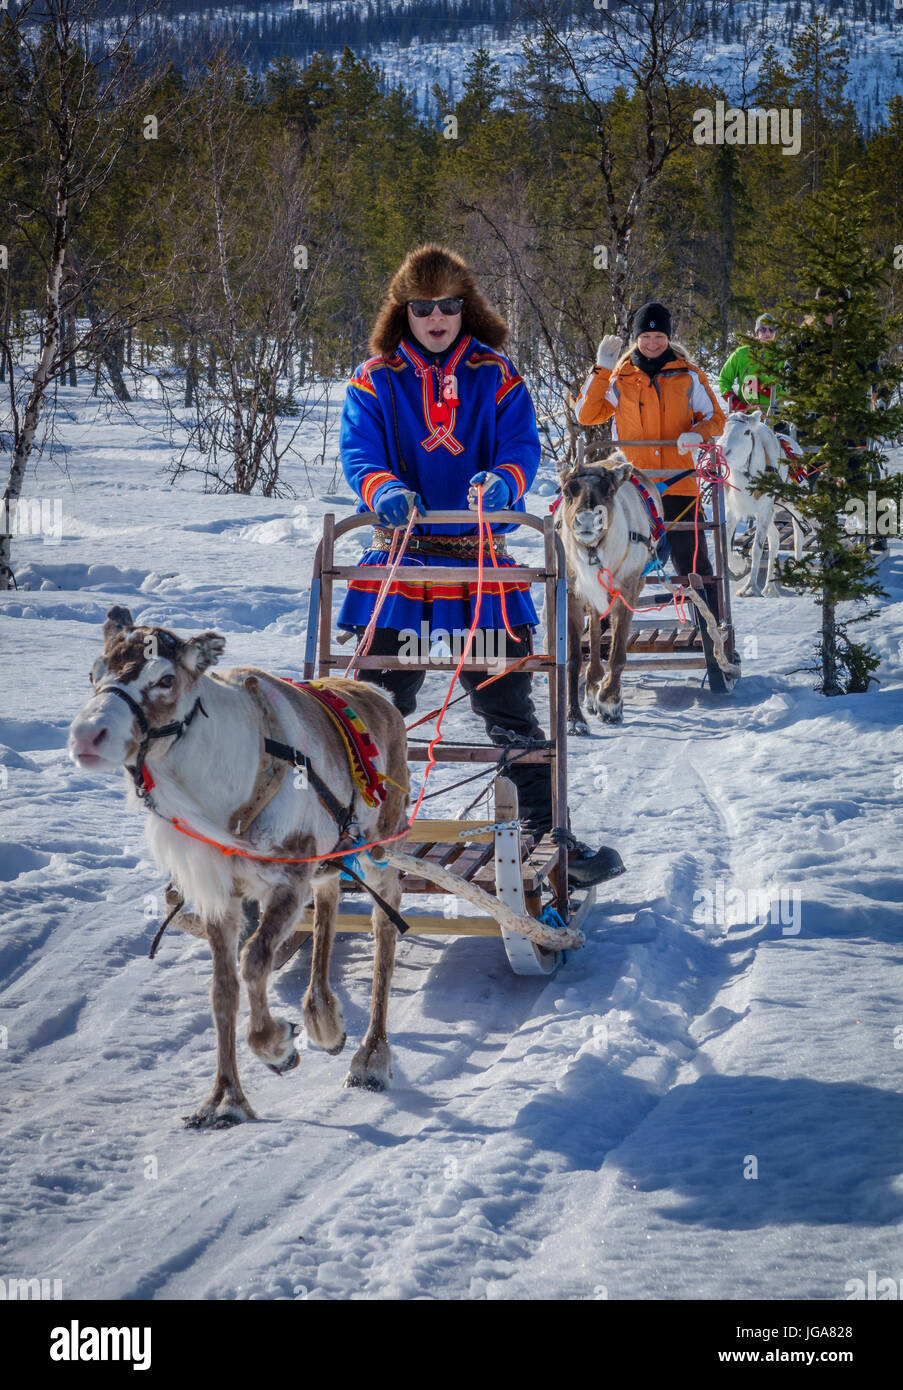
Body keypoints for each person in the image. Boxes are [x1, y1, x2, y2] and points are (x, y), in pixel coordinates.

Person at [337, 243, 623, 888]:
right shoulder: (375, 377)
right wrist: (381, 488)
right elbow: (358, 449)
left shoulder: (496, 374)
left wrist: (503, 482)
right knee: (377, 704)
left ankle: (547, 834)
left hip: (479, 567)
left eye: (448, 305)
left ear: (466, 307)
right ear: (402, 311)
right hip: (402, 564)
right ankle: (349, 833)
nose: (436, 317)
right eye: (422, 307)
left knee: (508, 705)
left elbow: (523, 443)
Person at [574, 300, 726, 620]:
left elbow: (716, 418)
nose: (653, 343)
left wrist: (698, 433)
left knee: (691, 561)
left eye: (659, 337)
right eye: (646, 337)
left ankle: (713, 632)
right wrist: (601, 368)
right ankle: (604, 632)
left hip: (678, 484)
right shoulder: (621, 377)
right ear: (636, 338)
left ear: (669, 338)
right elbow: (586, 415)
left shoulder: (688, 376)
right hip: (634, 488)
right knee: (617, 558)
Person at [718, 313, 784, 419]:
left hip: (773, 416)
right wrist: (734, 402)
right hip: (745, 414)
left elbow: (788, 387)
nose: (767, 333)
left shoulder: (781, 356)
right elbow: (724, 379)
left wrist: (764, 389)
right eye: (763, 329)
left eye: (771, 329)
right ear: (757, 332)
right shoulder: (741, 354)